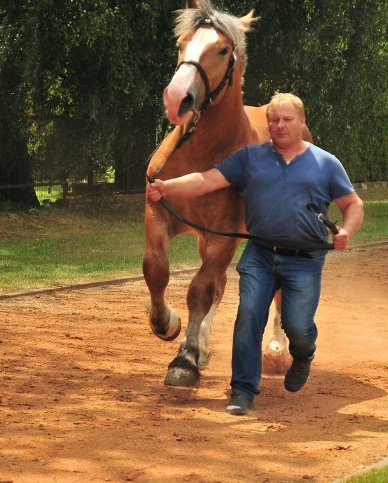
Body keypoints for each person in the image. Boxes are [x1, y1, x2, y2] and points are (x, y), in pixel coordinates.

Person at [147, 92, 364, 415]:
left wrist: (347, 230)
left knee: (299, 327)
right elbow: (208, 180)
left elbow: (353, 204)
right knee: (248, 316)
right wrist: (169, 186)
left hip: (303, 259)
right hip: (260, 253)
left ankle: (303, 353)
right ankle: (243, 391)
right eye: (273, 120)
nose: (278, 126)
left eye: (286, 120)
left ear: (302, 123)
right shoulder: (250, 158)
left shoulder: (325, 162)